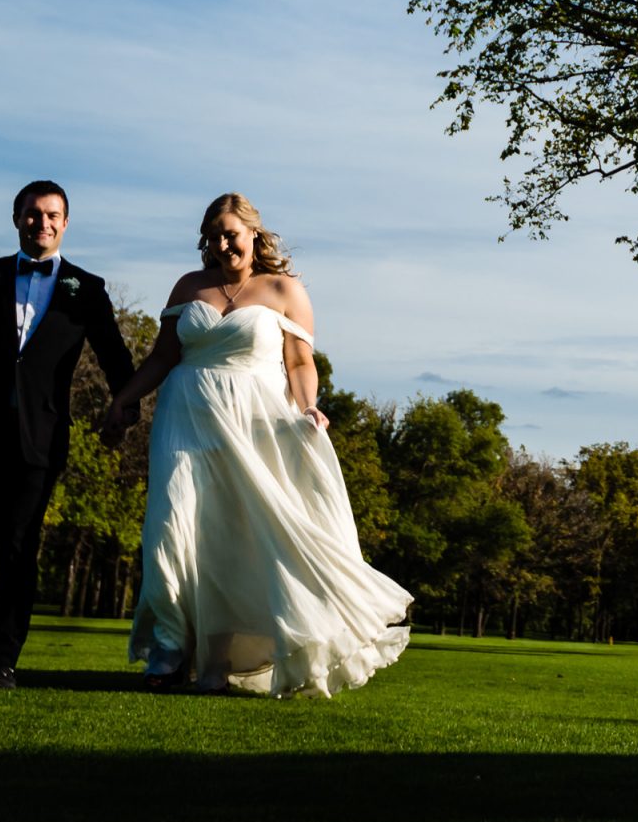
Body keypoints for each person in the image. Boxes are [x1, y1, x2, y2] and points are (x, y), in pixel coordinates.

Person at [101, 193, 410, 696]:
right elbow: (162, 358)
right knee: (171, 529)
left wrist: (309, 406)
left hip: (254, 426)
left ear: (254, 233)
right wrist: (124, 401)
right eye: (214, 237)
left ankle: (224, 658)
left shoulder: (284, 289)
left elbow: (300, 363)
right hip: (185, 418)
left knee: (236, 538)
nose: (223, 245)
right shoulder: (188, 286)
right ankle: (167, 652)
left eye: (231, 234)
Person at [0, 179, 137, 689]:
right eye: (33, 214)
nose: (43, 223)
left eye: (53, 215)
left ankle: (4, 662)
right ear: (17, 219)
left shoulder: (88, 290)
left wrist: (124, 409)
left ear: (66, 222)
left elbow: (115, 357)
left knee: (19, 548)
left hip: (41, 439)